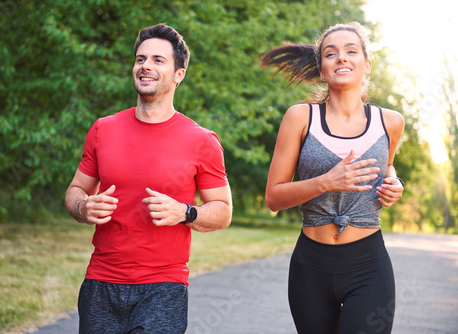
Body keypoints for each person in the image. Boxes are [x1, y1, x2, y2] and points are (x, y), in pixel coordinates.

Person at [65, 23, 232, 334]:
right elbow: (75, 190)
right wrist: (82, 207)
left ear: (178, 74)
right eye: (141, 59)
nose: (146, 66)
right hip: (101, 282)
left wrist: (185, 212)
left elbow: (222, 211)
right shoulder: (103, 129)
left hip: (163, 287)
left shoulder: (202, 140)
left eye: (158, 60)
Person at [262, 22, 405, 334]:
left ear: (366, 65)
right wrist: (326, 181)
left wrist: (395, 184)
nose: (341, 58)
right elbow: (273, 197)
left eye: (351, 51)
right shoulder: (300, 118)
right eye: (331, 54)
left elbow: (388, 166)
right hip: (310, 268)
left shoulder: (391, 122)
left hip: (368, 266)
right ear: (322, 69)